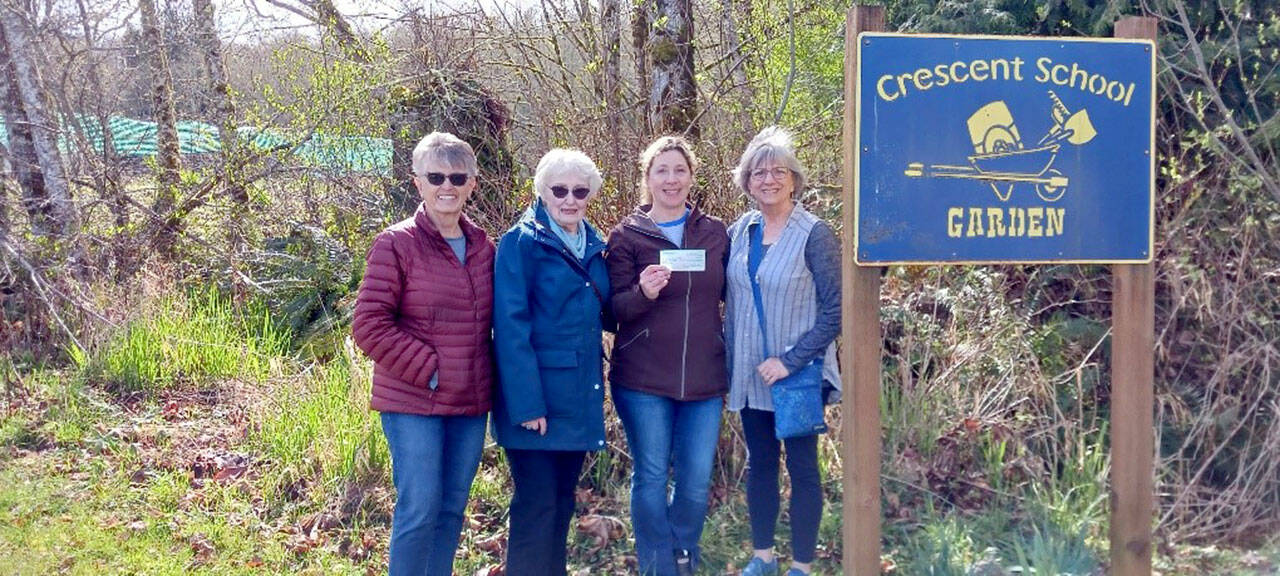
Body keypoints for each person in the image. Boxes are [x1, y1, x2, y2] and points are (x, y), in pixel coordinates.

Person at [351, 131, 495, 576]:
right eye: (435, 176)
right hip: (414, 400)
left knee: (452, 508)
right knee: (420, 506)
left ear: (473, 183)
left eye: (457, 176)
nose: (446, 186)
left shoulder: (485, 248)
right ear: (418, 183)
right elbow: (369, 325)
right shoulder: (396, 244)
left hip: (469, 404)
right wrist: (432, 371)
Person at [604, 136, 729, 576]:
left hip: (705, 377)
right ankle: (658, 566)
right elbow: (611, 310)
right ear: (648, 179)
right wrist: (644, 292)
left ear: (691, 176)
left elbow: (738, 296)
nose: (671, 179)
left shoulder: (715, 233)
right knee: (652, 477)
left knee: (695, 483)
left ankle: (682, 554)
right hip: (642, 381)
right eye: (662, 170)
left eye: (679, 170)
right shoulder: (626, 236)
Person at [724, 127, 842, 576]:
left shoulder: (815, 234)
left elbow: (835, 312)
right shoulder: (741, 231)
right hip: (751, 373)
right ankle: (763, 558)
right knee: (760, 465)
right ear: (747, 181)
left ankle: (803, 565)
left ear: (794, 179)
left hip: (798, 375)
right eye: (759, 172)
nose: (768, 179)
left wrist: (790, 361)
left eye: (778, 171)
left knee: (803, 467)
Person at [492, 148, 611, 576]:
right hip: (536, 403)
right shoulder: (521, 242)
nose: (569, 199)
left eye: (580, 190)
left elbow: (606, 312)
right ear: (541, 191)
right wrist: (527, 405)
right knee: (536, 506)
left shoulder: (594, 243)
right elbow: (509, 327)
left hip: (578, 397)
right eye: (559, 190)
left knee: (561, 502)